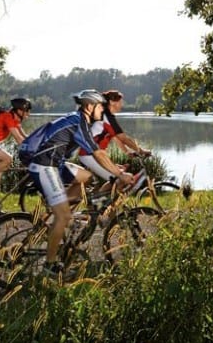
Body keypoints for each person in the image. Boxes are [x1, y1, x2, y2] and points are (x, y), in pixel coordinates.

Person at [19, 89, 134, 276]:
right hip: (45, 166)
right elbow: (97, 153)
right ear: (89, 106)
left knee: (86, 178)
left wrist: (114, 168)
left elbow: (97, 153)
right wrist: (119, 175)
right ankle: (49, 265)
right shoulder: (79, 122)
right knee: (63, 216)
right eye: (99, 106)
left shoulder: (79, 119)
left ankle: (59, 205)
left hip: (57, 164)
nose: (101, 110)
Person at [77, 89, 151, 185]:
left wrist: (127, 152)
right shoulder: (106, 117)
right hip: (90, 155)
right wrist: (141, 151)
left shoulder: (106, 115)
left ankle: (101, 198)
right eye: (120, 102)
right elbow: (124, 138)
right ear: (112, 102)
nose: (122, 105)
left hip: (94, 154)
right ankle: (100, 200)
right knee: (120, 179)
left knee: (118, 176)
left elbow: (116, 138)